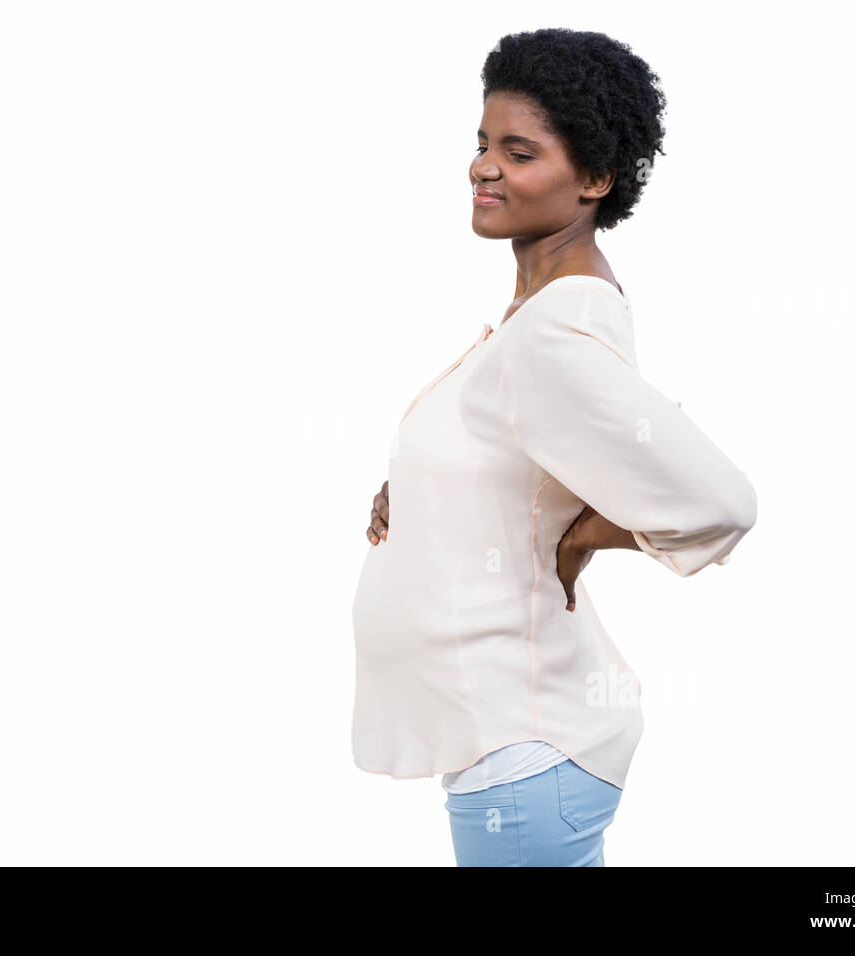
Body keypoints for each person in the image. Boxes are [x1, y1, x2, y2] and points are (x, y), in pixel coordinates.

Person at [351, 28, 758, 866]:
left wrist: (595, 533)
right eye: (481, 143)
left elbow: (722, 502)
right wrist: (422, 489)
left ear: (596, 179)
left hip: (524, 760)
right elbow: (542, 449)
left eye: (519, 151)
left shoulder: (556, 329)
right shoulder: (547, 315)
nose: (482, 167)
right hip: (512, 751)